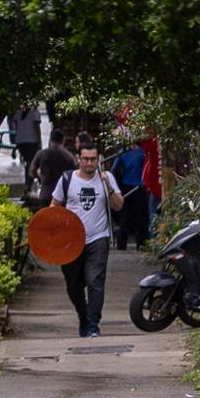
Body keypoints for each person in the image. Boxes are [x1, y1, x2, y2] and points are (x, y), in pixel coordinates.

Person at [51, 140, 120, 336]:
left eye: (93, 159)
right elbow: (54, 207)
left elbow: (118, 205)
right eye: (85, 159)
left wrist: (108, 185)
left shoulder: (106, 178)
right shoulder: (67, 179)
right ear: (78, 159)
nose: (89, 163)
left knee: (95, 282)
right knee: (73, 286)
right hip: (71, 242)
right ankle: (83, 316)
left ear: (98, 159)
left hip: (98, 238)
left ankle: (92, 325)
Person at [110, 131, 153, 254]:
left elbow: (113, 169)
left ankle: (121, 245)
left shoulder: (122, 153)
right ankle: (142, 245)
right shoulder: (143, 153)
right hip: (140, 187)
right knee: (142, 219)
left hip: (126, 187)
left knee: (125, 217)